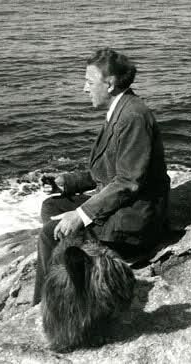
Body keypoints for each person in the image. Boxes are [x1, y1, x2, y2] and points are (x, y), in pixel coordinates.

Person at [32, 48, 170, 305]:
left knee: (51, 232)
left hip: (134, 223)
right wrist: (68, 182)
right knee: (52, 206)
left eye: (89, 82)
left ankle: (48, 304)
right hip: (124, 207)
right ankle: (76, 266)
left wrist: (81, 215)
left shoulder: (133, 117)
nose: (84, 89)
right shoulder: (121, 110)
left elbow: (128, 182)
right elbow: (111, 170)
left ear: (110, 84)